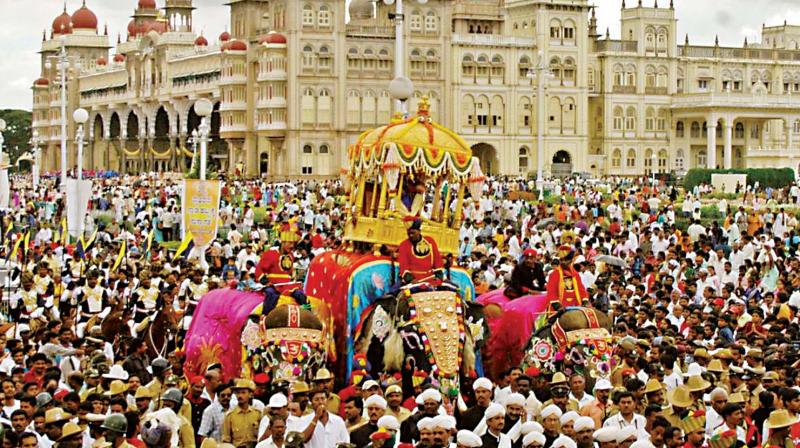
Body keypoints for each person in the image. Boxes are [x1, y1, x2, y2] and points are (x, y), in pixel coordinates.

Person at [397, 218, 444, 284]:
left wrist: (439, 277)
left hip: (430, 278)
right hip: (413, 280)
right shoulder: (404, 245)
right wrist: (411, 280)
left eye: (413, 233)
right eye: (409, 233)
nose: (411, 235)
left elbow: (438, 261)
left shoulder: (430, 241)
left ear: (419, 231)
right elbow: (403, 266)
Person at [546, 246, 588, 311]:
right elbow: (552, 293)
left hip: (576, 305)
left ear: (571, 260)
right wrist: (557, 306)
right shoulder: (554, 274)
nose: (563, 262)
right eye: (561, 260)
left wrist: (585, 301)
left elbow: (581, 290)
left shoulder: (576, 274)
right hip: (560, 307)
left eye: (566, 260)